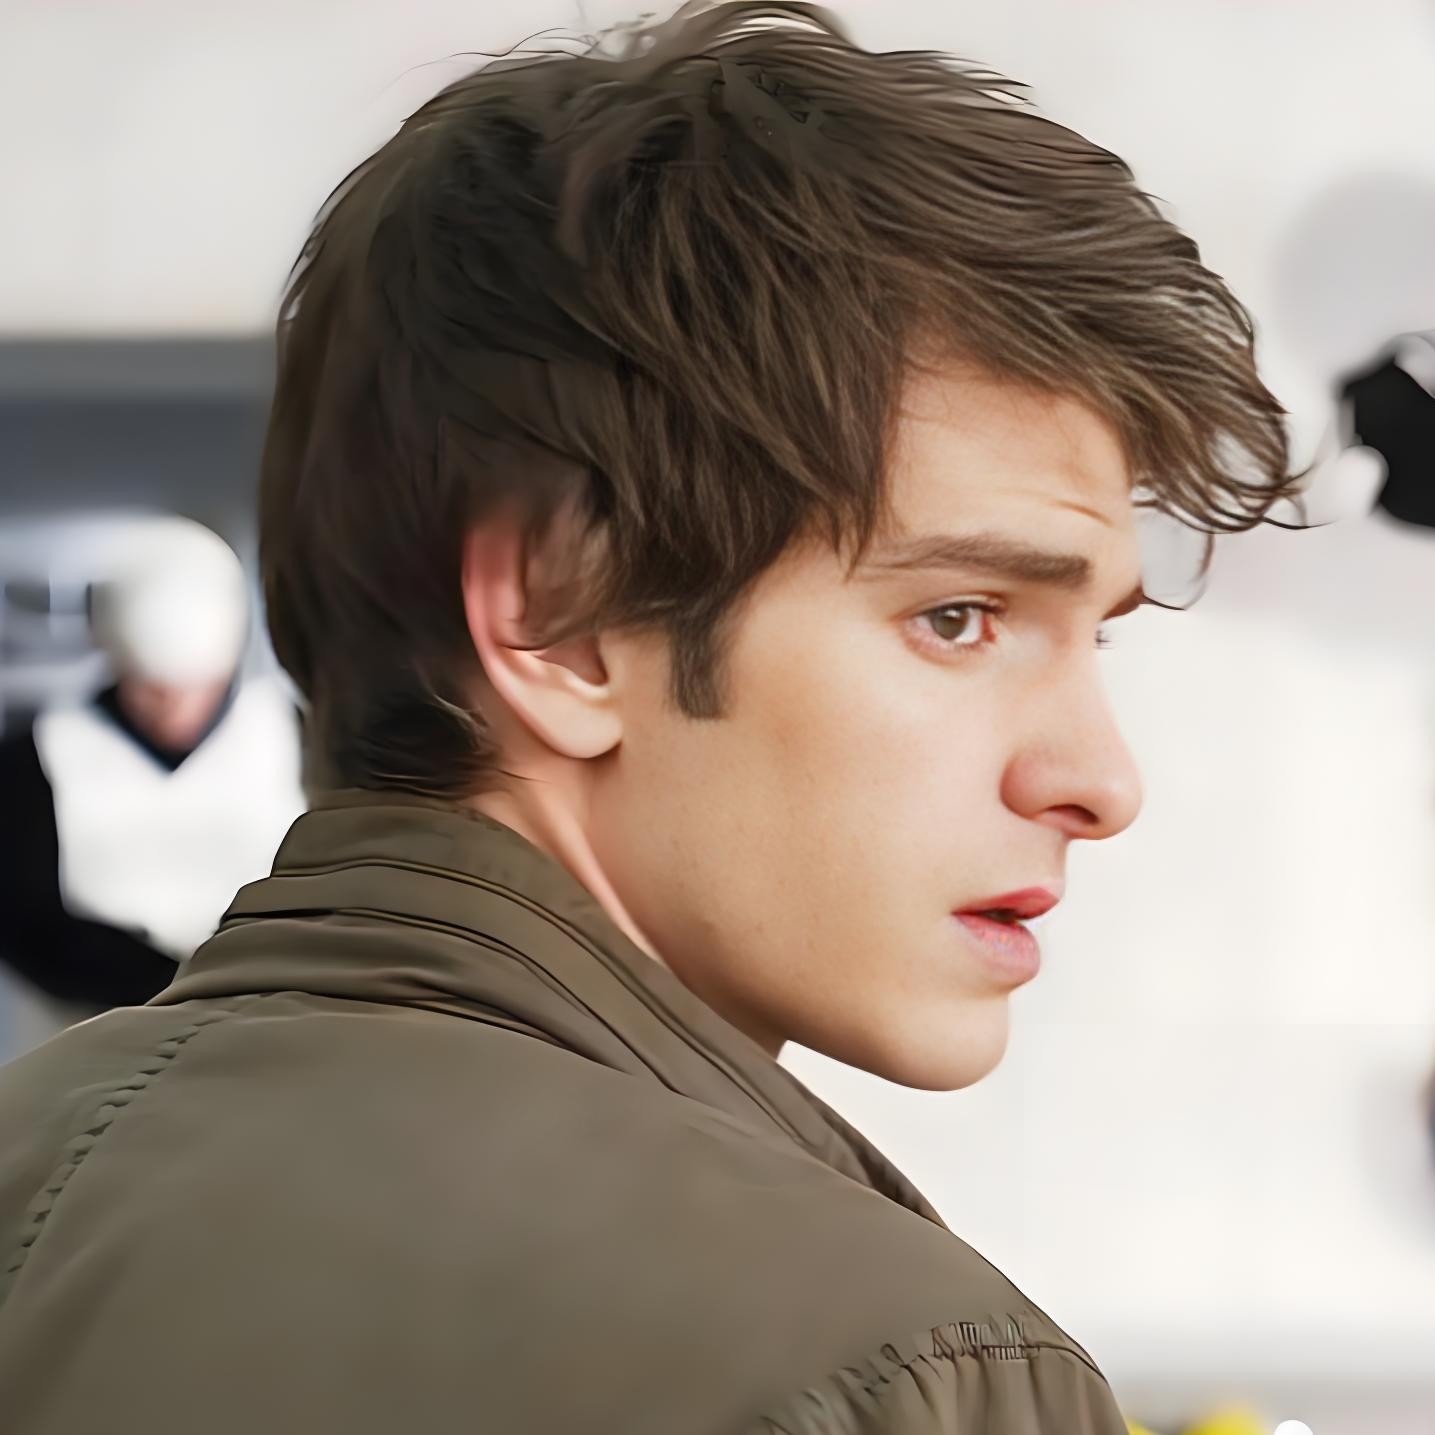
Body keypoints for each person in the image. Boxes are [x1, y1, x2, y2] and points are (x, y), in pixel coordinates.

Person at [0, 7, 1297, 1432]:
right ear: (563, 619)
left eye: (1093, 636)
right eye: (958, 617)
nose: (1099, 779)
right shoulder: (899, 1368)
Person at [0, 518, 304, 1020]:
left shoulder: (299, 736)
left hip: (279, 1015)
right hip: (98, 1026)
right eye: (153, 688)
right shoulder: (34, 762)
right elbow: (28, 925)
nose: (174, 709)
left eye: (195, 687)